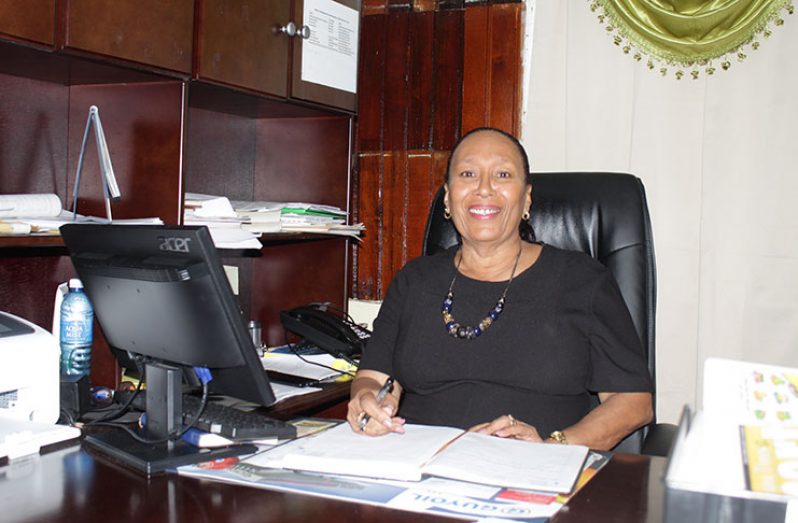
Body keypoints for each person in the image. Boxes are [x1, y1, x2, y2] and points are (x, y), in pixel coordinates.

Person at [347, 127, 653, 450]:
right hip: (418, 468)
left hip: (532, 475)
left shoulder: (583, 280)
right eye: (468, 174)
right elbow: (373, 378)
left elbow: (633, 402)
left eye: (503, 174)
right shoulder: (414, 281)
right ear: (448, 198)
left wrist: (553, 447)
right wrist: (367, 399)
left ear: (526, 199)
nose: (484, 188)